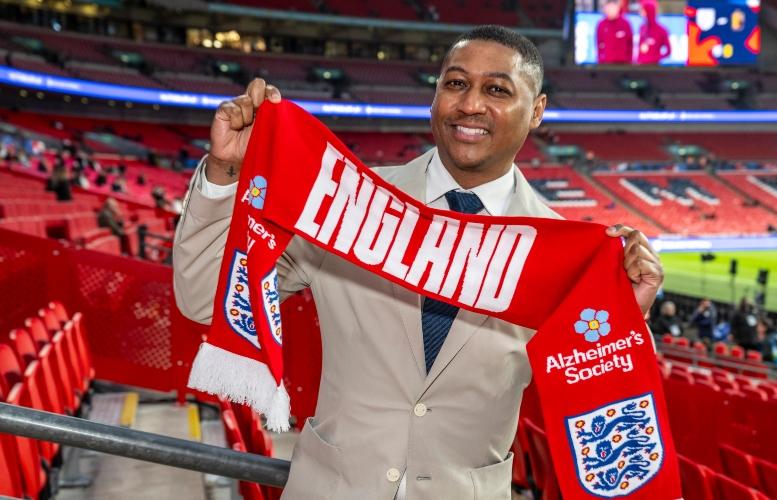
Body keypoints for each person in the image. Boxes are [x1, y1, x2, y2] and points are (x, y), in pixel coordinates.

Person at [173, 25, 664, 499]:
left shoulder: (566, 258)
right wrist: (226, 173)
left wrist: (629, 312)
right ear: (435, 95)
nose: (470, 104)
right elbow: (203, 301)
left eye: (496, 89)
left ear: (536, 111)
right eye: (455, 83)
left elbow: (596, 399)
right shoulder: (345, 201)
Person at [596, 0, 633, 64]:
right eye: (608, 8)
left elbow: (630, 44)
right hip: (606, 63)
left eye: (612, 8)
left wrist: (629, 60)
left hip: (623, 63)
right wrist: (600, 60)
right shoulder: (601, 25)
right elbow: (599, 44)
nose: (610, 11)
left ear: (617, 8)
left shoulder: (625, 24)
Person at [636, 0, 671, 65]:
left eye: (642, 10)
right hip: (640, 65)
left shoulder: (661, 30)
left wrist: (656, 58)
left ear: (648, 11)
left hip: (654, 66)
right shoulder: (642, 28)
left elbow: (668, 51)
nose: (640, 13)